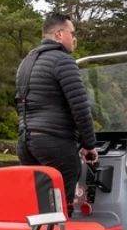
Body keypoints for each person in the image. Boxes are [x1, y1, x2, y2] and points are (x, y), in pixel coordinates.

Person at [15, 13, 98, 214]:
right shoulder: (63, 61)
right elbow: (80, 107)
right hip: (56, 144)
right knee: (62, 205)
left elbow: (19, 103)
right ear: (59, 34)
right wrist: (89, 145)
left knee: (39, 205)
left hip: (26, 143)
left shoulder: (26, 62)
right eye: (72, 33)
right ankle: (62, 229)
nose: (75, 39)